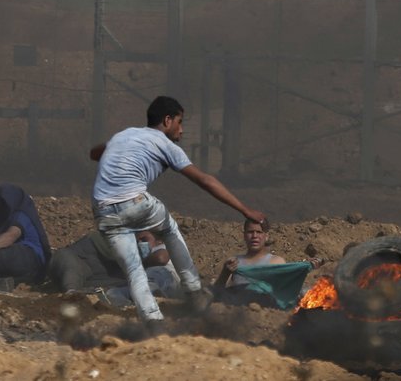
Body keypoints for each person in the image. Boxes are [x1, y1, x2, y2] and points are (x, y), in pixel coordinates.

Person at [90, 95, 266, 333]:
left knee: (133, 270)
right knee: (169, 227)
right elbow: (204, 180)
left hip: (102, 211)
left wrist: (112, 148)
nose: (182, 130)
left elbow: (94, 153)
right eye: (180, 122)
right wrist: (245, 209)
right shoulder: (165, 144)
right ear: (167, 120)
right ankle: (194, 292)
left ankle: (153, 323)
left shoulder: (124, 135)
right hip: (134, 201)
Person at [212, 218, 322, 309]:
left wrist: (305, 268)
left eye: (259, 232)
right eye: (250, 232)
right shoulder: (235, 262)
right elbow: (217, 293)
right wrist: (225, 272)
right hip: (239, 316)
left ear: (266, 236)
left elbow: (284, 291)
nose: (255, 236)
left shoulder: (276, 262)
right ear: (244, 235)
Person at [48, 229, 169, 294]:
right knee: (68, 264)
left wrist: (149, 246)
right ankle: (71, 292)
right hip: (81, 260)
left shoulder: (156, 249)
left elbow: (161, 258)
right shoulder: (116, 234)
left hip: (102, 282)